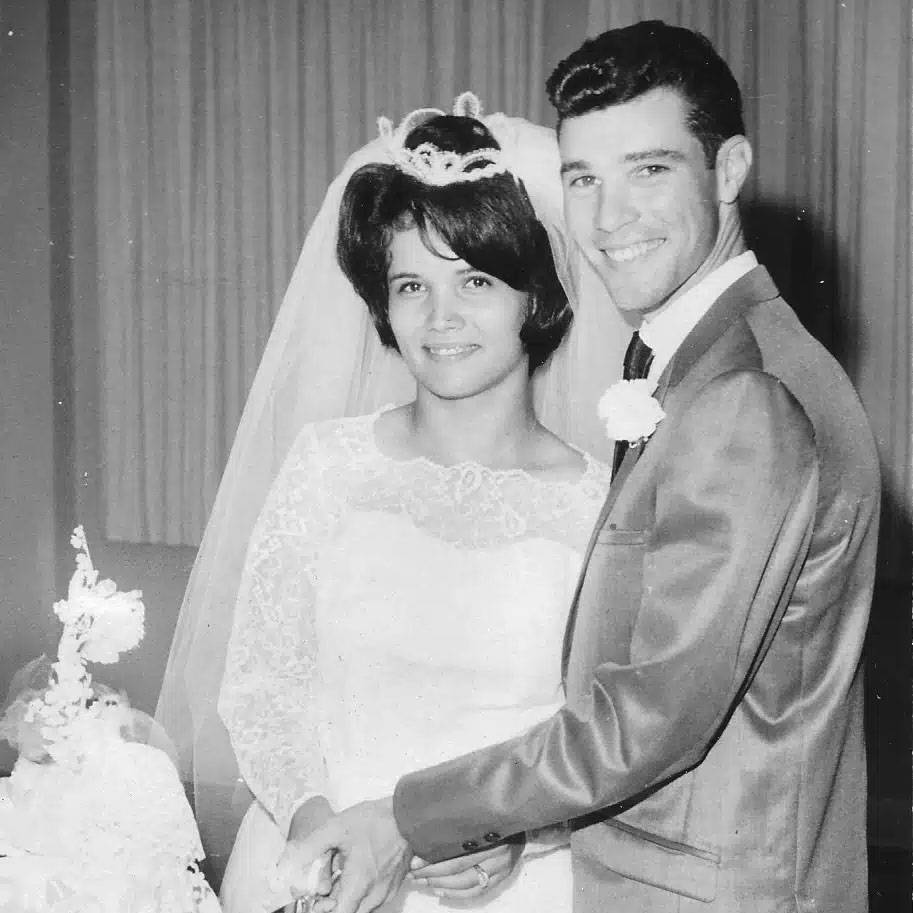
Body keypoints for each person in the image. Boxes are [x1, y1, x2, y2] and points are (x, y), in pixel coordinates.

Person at [292, 20, 881, 913]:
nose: (608, 221)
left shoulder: (742, 396)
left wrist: (407, 821)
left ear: (728, 171)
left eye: (648, 170)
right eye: (582, 180)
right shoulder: (709, 359)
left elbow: (642, 720)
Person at [155, 91, 630, 913]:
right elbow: (262, 687)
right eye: (411, 283)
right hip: (315, 860)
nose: (439, 317)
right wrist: (323, 830)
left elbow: (603, 740)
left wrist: (520, 833)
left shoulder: (597, 508)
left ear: (535, 297)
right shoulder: (327, 466)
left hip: (511, 887)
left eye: (475, 279)